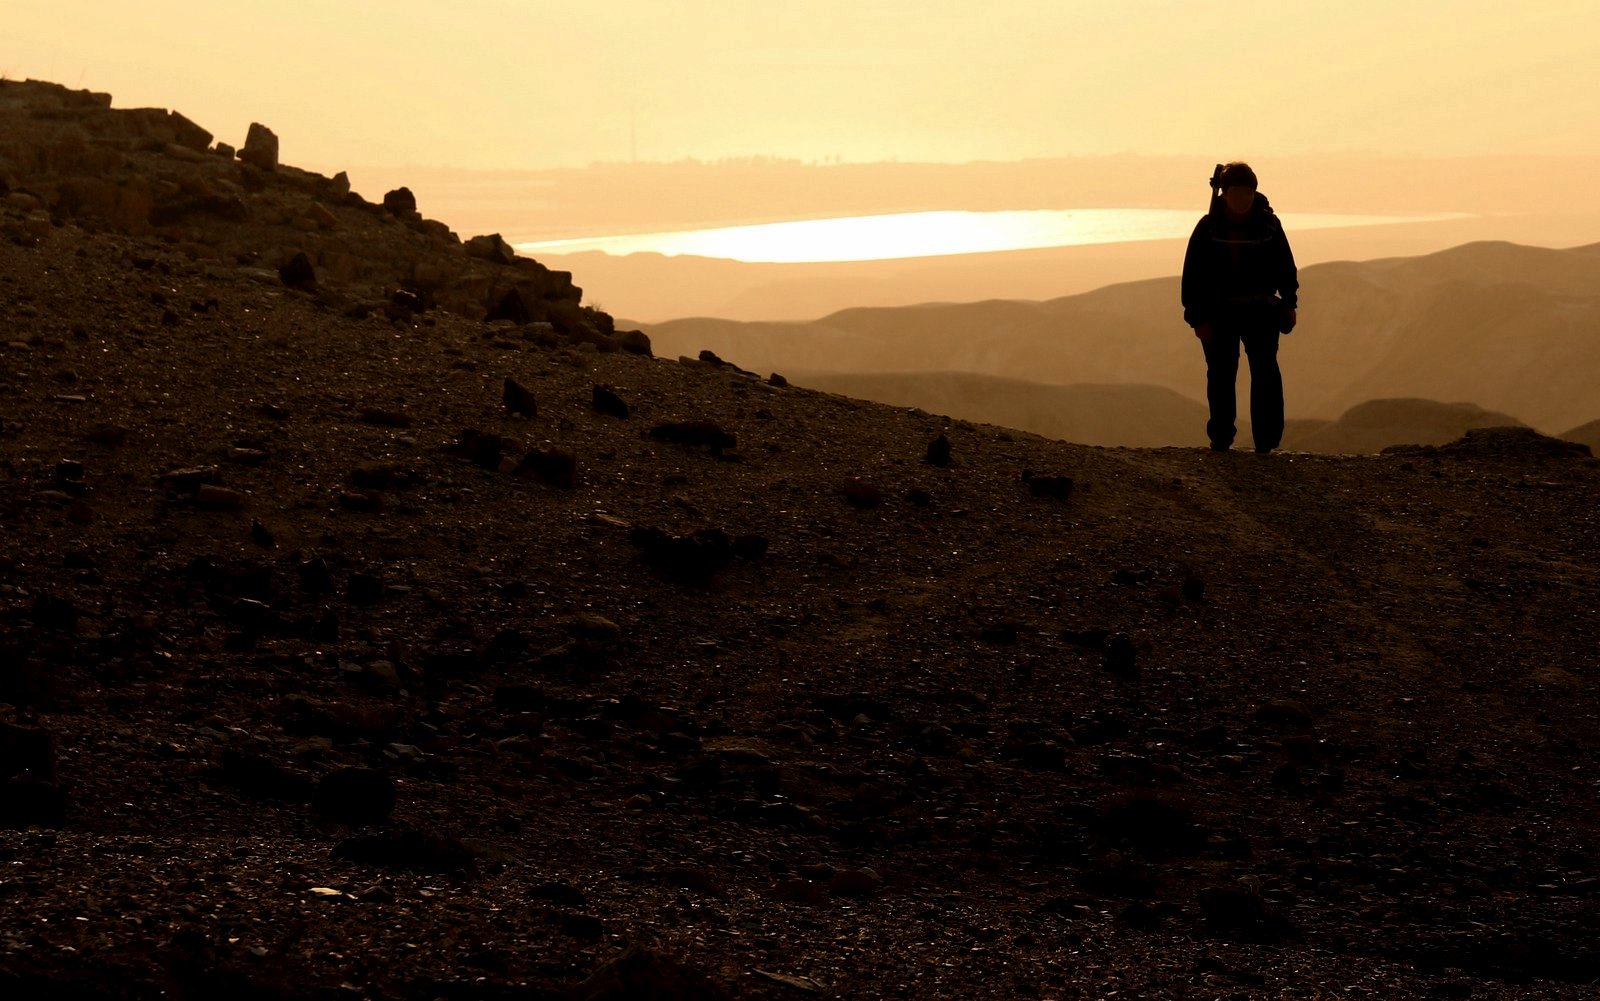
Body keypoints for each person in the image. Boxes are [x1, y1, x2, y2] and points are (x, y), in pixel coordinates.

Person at [1181, 162, 1298, 453]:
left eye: (1248, 192)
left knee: (1265, 372)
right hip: (1218, 312)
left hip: (1260, 311)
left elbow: (1286, 266)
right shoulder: (1208, 228)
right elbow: (1193, 276)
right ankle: (1221, 437)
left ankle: (1267, 441)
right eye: (1237, 193)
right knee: (1221, 373)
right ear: (1224, 193)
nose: (1242, 199)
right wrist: (1197, 318)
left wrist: (1289, 303)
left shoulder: (1269, 226)